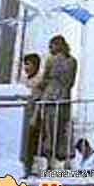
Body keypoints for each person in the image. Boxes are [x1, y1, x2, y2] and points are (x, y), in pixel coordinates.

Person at [39, 35, 77, 167]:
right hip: (64, 97)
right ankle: (62, 159)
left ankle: (50, 159)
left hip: (51, 97)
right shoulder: (72, 61)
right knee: (62, 129)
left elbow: (45, 78)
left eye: (51, 46)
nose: (50, 49)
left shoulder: (51, 60)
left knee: (49, 130)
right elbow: (71, 82)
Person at [20, 53, 42, 177]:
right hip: (22, 115)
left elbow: (38, 100)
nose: (26, 67)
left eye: (28, 64)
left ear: (35, 65)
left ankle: (31, 168)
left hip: (33, 114)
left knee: (32, 143)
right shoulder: (23, 80)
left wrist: (34, 117)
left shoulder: (39, 80)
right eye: (25, 64)